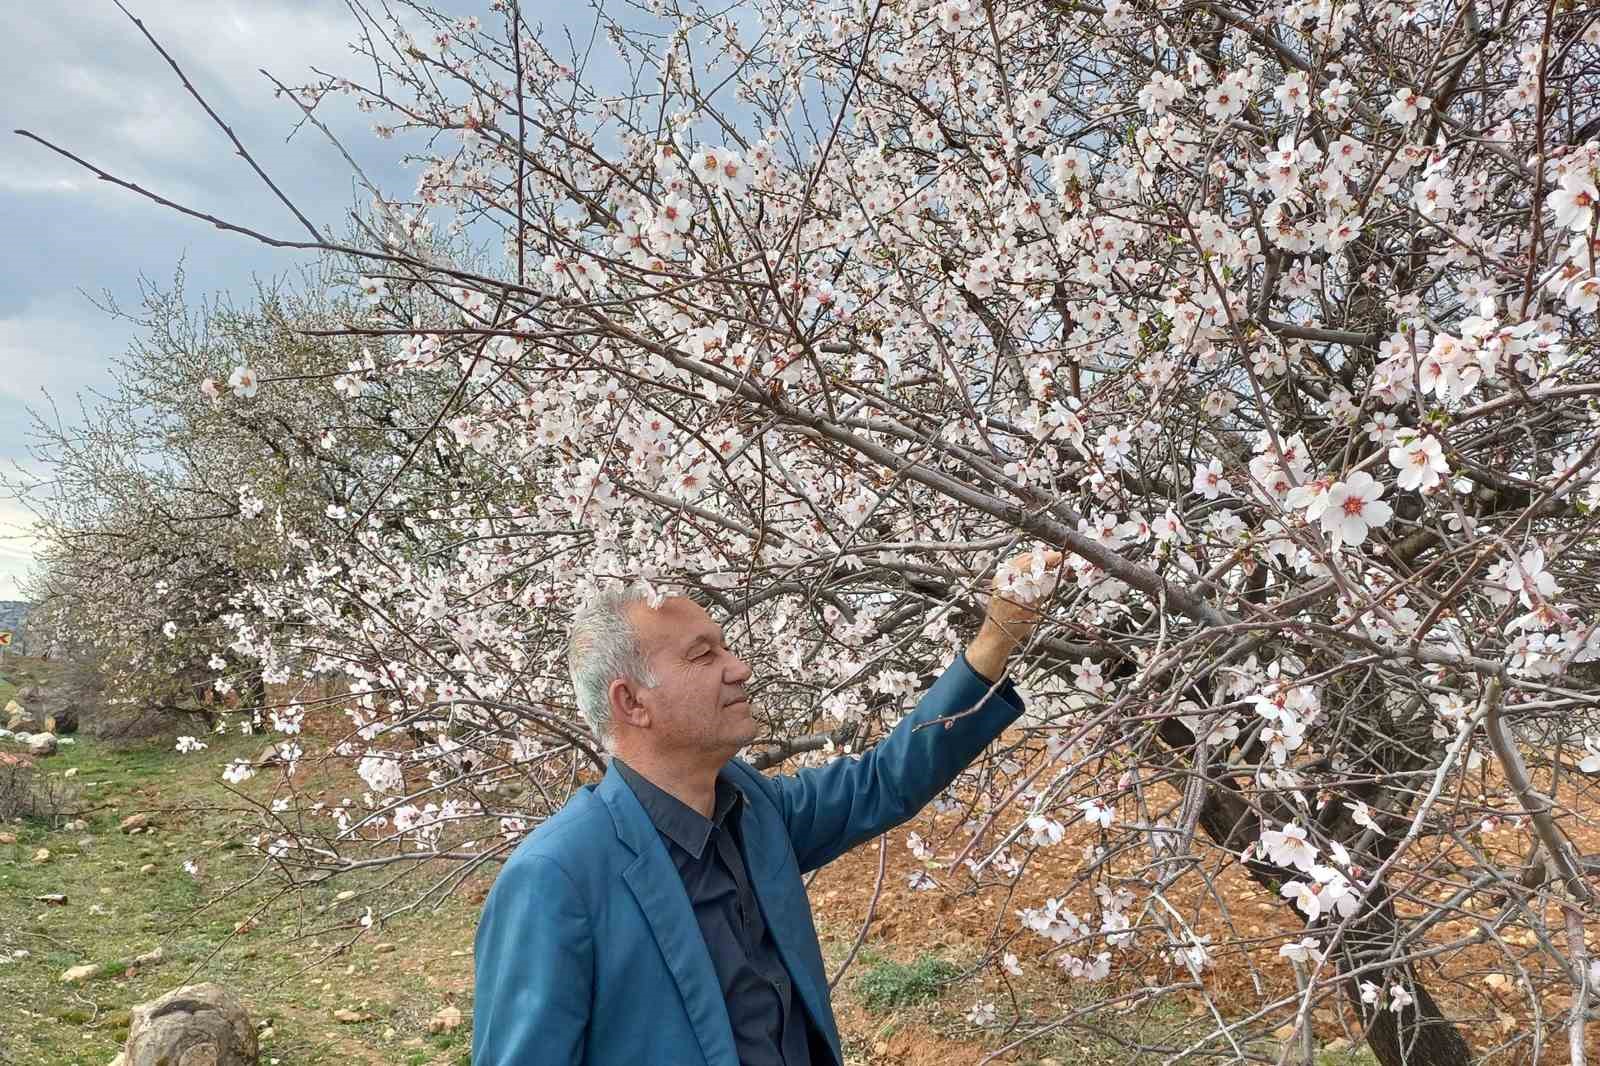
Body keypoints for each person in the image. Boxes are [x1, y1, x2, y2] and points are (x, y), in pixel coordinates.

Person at [471, 550, 1058, 1066]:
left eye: (726, 646)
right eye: (704, 655)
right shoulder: (557, 879)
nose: (739, 667)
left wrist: (994, 642)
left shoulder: (752, 807)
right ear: (633, 702)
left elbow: (884, 782)